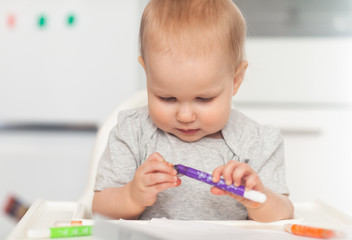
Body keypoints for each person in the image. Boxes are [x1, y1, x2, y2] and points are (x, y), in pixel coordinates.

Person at [92, 0, 294, 222]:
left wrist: (259, 198)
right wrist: (132, 195)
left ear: (236, 80)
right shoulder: (131, 133)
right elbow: (100, 209)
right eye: (167, 97)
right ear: (148, 74)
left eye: (204, 98)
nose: (185, 116)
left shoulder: (257, 142)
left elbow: (284, 214)